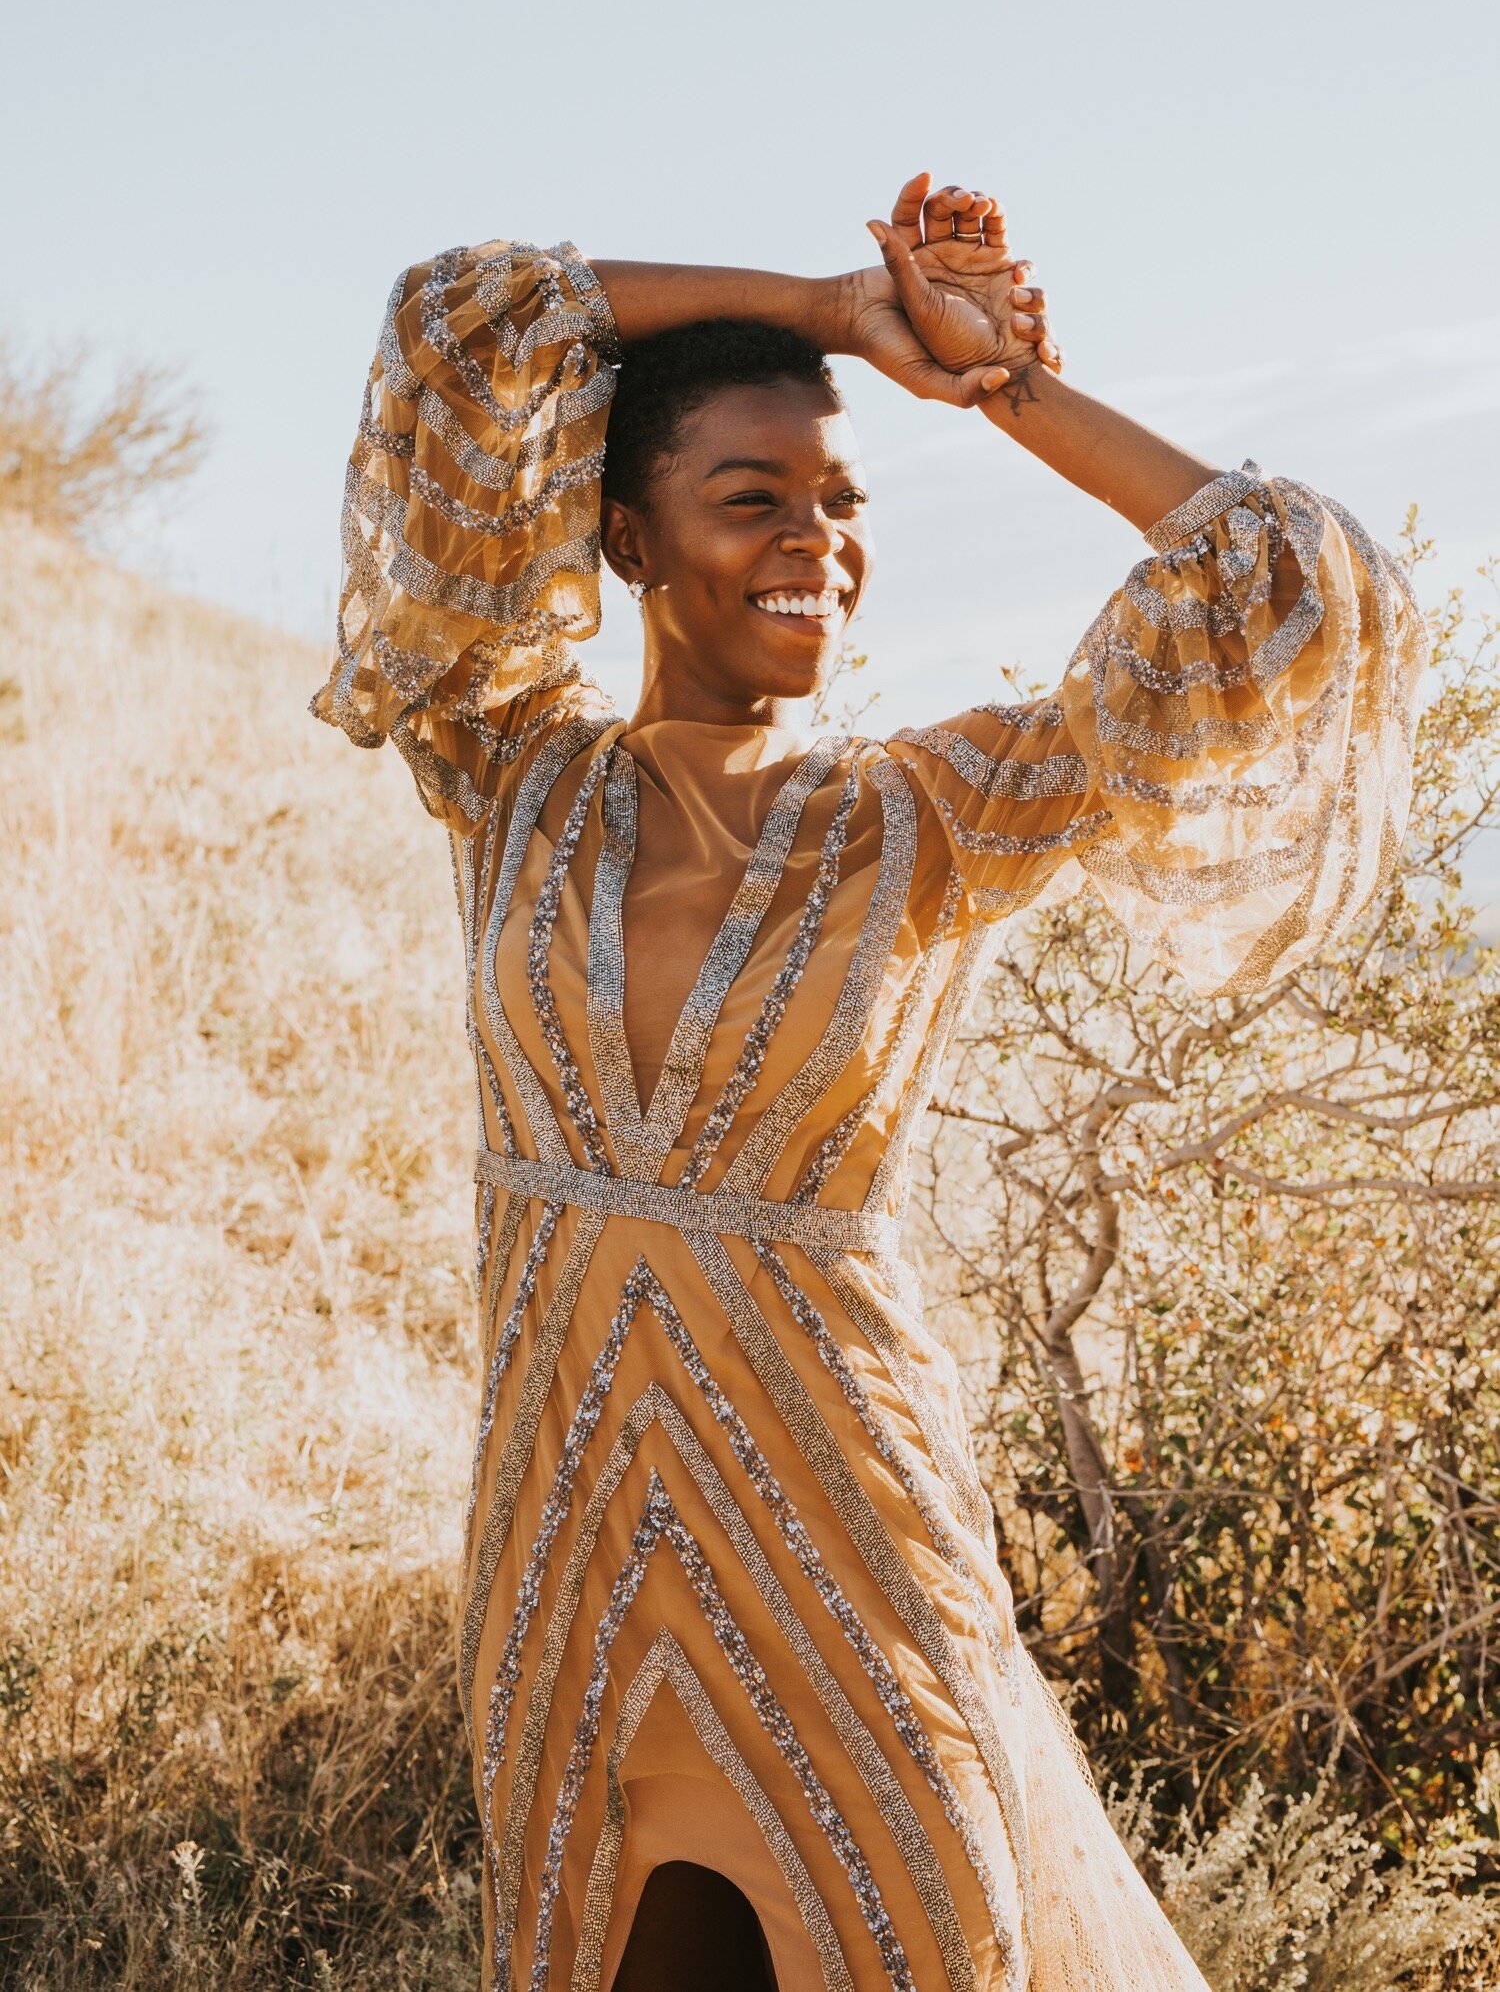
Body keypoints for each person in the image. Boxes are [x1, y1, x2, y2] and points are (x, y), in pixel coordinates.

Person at [313, 177, 1425, 1992]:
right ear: (624, 538)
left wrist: (1000, 389)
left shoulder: (923, 819)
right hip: (567, 1554)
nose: (813, 541)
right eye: (751, 498)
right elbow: (459, 324)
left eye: (841, 503)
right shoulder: (508, 774)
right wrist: (832, 308)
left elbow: (1281, 584)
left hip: (851, 1566)